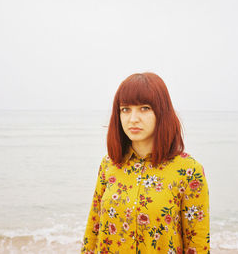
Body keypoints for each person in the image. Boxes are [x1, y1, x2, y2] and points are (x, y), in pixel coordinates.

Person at [81, 73, 210, 254]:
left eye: (145, 108)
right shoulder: (108, 164)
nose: (133, 118)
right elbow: (93, 231)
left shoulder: (189, 171)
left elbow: (197, 244)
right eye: (125, 109)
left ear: (162, 112)